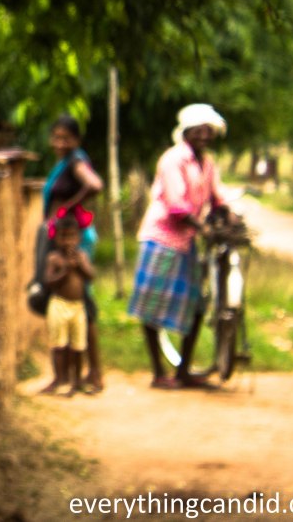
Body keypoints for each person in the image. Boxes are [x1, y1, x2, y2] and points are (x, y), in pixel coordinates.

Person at [128, 103, 232, 390]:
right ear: (185, 132)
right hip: (162, 239)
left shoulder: (207, 163)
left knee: (196, 306)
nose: (204, 135)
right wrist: (203, 228)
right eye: (198, 130)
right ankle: (158, 372)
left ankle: (183, 370)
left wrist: (227, 214)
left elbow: (217, 196)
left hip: (187, 241)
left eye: (208, 131)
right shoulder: (172, 160)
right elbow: (176, 205)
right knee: (152, 306)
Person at [39, 114, 105, 392]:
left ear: (76, 140)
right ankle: (72, 375)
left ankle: (93, 373)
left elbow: (95, 185)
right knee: (72, 301)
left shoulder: (76, 161)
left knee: (81, 301)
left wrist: (67, 207)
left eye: (65, 138)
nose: (59, 143)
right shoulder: (66, 162)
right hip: (65, 236)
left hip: (74, 239)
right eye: (56, 137)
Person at [40, 214, 93, 396]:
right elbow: (48, 281)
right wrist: (65, 270)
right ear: (56, 238)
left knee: (78, 346)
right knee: (59, 345)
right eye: (63, 236)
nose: (67, 241)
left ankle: (77, 381)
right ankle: (59, 379)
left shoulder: (81, 256)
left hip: (77, 307)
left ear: (78, 238)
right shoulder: (54, 258)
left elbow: (90, 276)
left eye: (71, 236)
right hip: (59, 306)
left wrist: (79, 266)